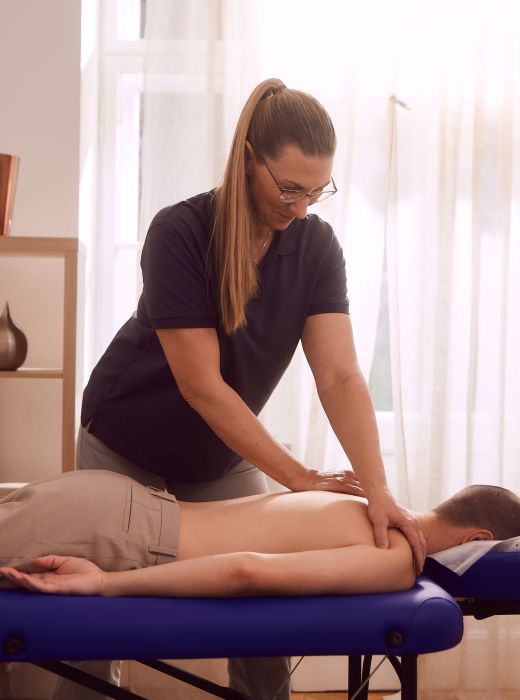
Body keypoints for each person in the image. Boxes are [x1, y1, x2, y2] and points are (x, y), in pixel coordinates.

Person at [74, 77, 426, 699]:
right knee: (94, 630)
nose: (302, 208)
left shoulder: (315, 245)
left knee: (265, 622)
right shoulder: (180, 231)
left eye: (317, 191)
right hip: (125, 445)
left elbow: (340, 375)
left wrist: (378, 490)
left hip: (219, 456)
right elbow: (202, 386)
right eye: (289, 188)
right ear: (246, 159)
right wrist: (299, 479)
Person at [1, 470, 519, 600]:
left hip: (112, 498)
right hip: (117, 538)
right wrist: (105, 583)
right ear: (476, 537)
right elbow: (245, 571)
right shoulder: (396, 556)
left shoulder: (359, 500)